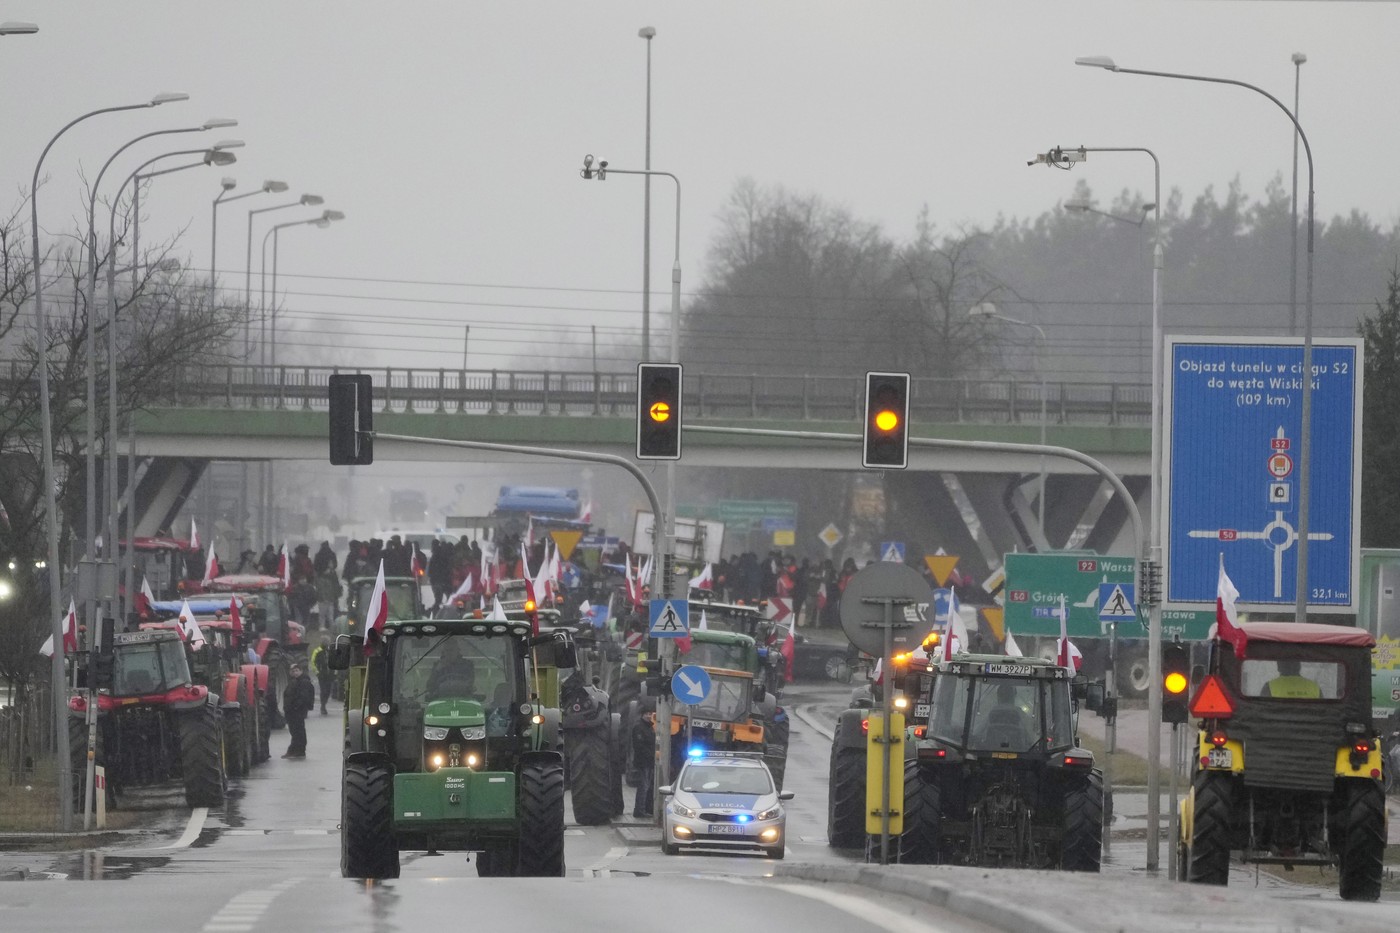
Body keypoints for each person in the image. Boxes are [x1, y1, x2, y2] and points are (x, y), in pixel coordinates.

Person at [282, 663, 315, 758]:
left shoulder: (303, 682)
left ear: (301, 671)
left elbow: (303, 697)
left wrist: (295, 707)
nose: (295, 673)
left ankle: (298, 750)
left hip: (297, 711)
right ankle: (295, 750)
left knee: (298, 731)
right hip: (292, 711)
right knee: (295, 731)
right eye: (293, 671)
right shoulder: (294, 681)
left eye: (297, 670)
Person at [630, 714, 655, 819]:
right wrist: (650, 755)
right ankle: (639, 811)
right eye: (647, 714)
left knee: (647, 787)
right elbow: (639, 746)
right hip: (643, 763)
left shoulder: (650, 727)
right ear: (642, 715)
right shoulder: (639, 728)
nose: (649, 716)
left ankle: (645, 809)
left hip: (649, 762)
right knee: (643, 787)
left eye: (650, 714)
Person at [311, 637, 334, 714]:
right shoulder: (317, 651)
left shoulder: (330, 651)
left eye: (328, 642)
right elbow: (313, 662)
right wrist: (317, 672)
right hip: (322, 675)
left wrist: (334, 673)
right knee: (323, 690)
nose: (327, 643)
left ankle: (324, 703)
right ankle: (323, 706)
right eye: (326, 642)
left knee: (328, 691)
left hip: (329, 675)